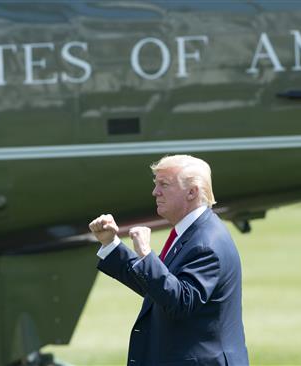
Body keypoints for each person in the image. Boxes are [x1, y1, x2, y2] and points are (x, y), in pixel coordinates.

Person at [89, 154, 249, 366]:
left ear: (192, 192)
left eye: (164, 184)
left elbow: (180, 302)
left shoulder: (205, 242)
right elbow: (158, 289)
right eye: (156, 184)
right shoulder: (193, 231)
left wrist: (146, 255)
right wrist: (111, 244)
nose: (155, 192)